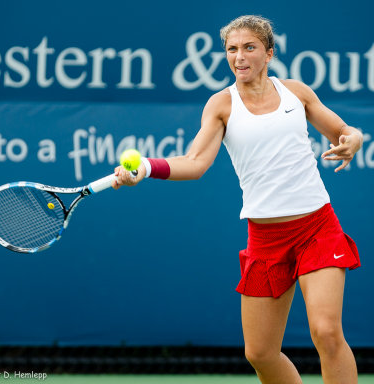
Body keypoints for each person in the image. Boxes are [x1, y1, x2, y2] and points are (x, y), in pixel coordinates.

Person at [113, 15, 363, 384]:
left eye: (249, 48)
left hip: (316, 228)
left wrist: (353, 137)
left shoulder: (297, 92)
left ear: (269, 53)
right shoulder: (221, 105)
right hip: (265, 238)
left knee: (326, 331)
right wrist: (147, 168)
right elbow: (195, 162)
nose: (239, 57)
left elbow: (341, 131)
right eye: (232, 49)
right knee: (260, 353)